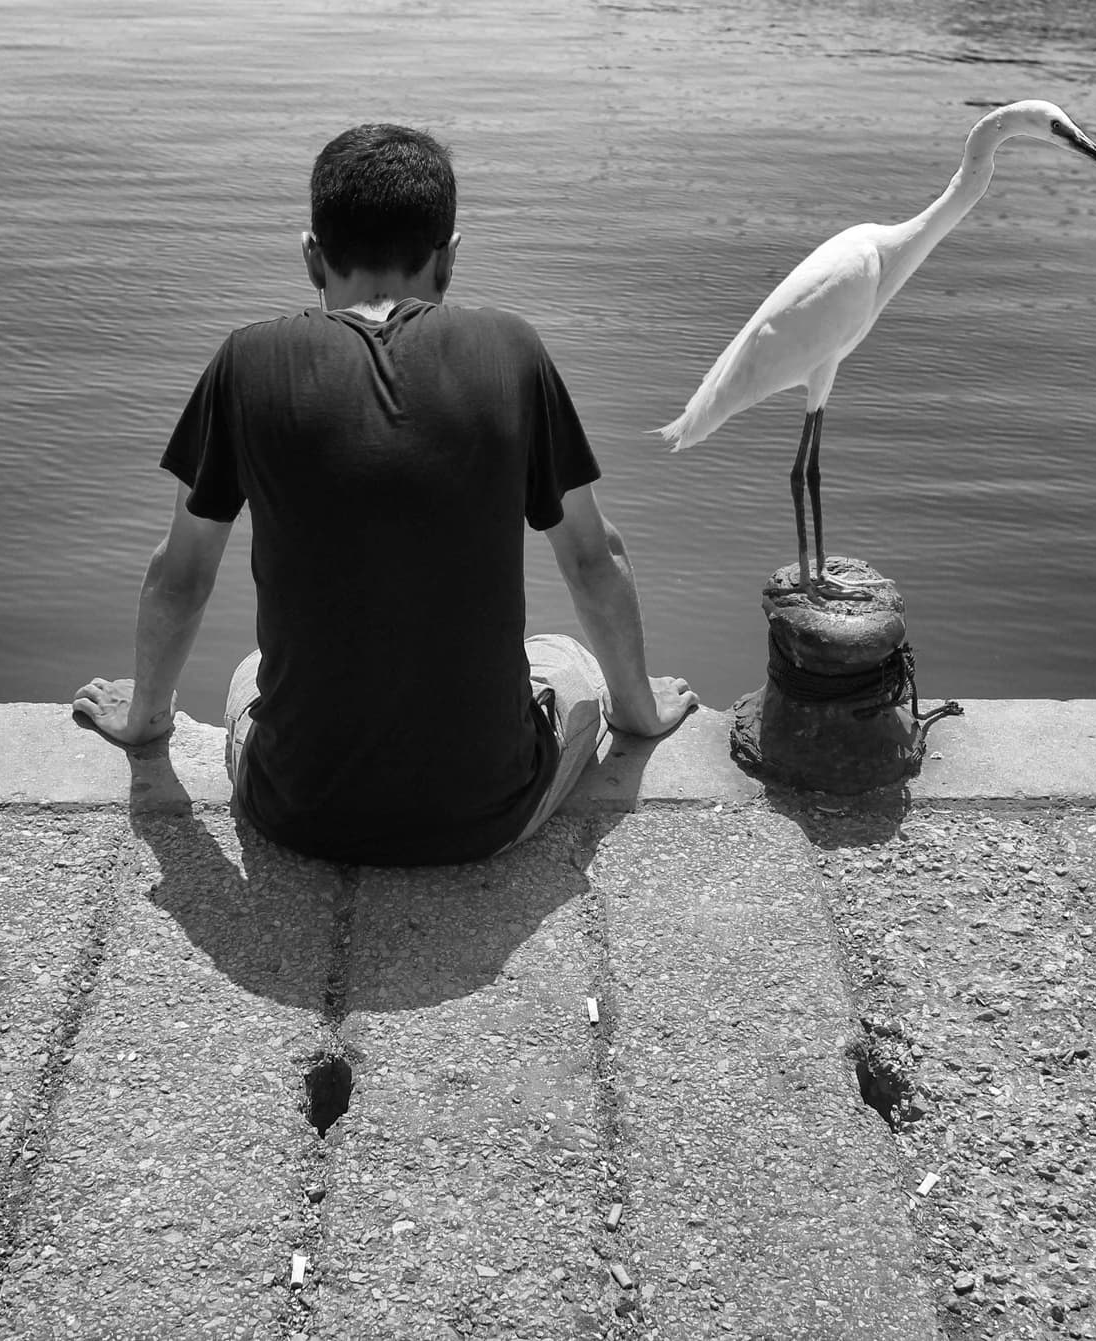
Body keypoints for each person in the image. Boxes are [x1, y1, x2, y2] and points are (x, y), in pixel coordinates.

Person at [72, 123, 694, 866]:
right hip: (489, 811)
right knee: (562, 656)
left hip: (295, 811)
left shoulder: (247, 361)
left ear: (311, 255)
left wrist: (143, 724)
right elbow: (596, 560)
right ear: (451, 258)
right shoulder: (513, 351)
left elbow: (179, 574)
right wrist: (641, 716)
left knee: (251, 671)